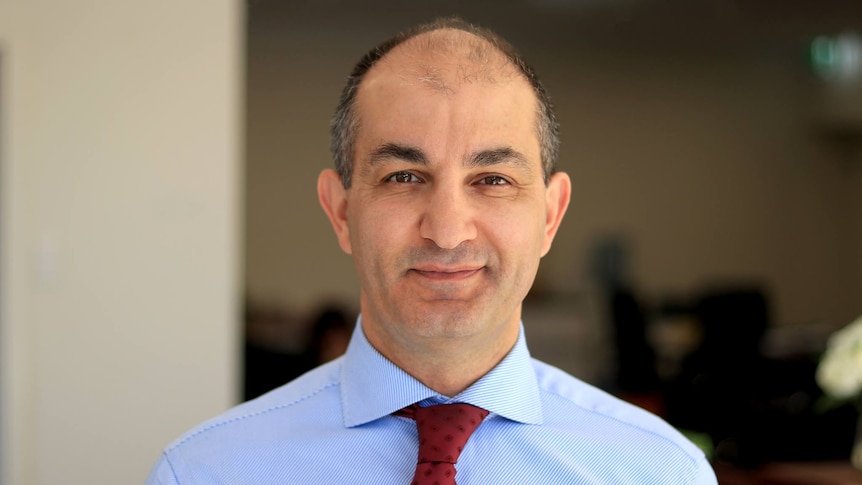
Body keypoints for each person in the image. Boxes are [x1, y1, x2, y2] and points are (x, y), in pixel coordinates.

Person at [146, 17, 717, 484]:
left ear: (550, 215)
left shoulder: (661, 472)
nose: (447, 231)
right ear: (341, 211)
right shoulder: (203, 472)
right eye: (403, 177)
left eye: (492, 179)